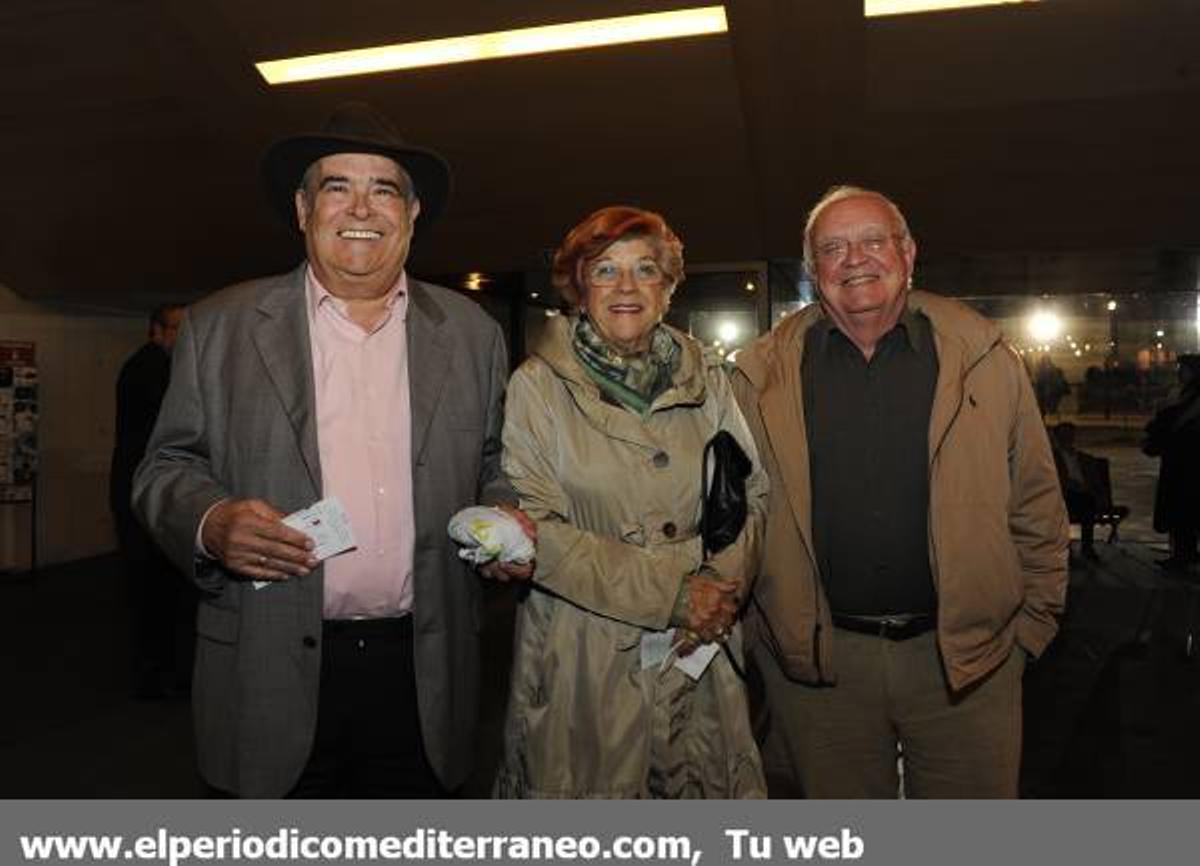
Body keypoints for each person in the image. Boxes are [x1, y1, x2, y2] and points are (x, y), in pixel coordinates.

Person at [133, 102, 521, 798]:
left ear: (411, 213)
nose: (361, 208)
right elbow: (165, 467)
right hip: (266, 661)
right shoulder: (220, 326)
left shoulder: (472, 334)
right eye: (338, 186)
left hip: (425, 672)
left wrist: (502, 516)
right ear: (303, 208)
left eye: (384, 189)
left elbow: (496, 464)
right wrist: (211, 522)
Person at [731, 185, 1069, 798]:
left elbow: (1036, 503)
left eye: (872, 241)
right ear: (813, 271)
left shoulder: (985, 359)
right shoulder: (758, 376)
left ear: (908, 253)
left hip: (967, 663)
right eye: (832, 248)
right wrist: (762, 635)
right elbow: (735, 519)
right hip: (820, 670)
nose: (854, 259)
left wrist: (1029, 630)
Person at [492, 206, 768, 798]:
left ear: (667, 288)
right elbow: (535, 529)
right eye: (605, 270)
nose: (626, 286)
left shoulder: (710, 379)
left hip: (700, 645)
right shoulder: (536, 387)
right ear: (578, 287)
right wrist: (673, 594)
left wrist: (718, 590)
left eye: (645, 269)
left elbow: (751, 493)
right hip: (584, 651)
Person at [110, 303, 191, 699]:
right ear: (156, 331)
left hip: (144, 491)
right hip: (141, 495)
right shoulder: (149, 370)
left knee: (159, 589)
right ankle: (155, 676)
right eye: (177, 329)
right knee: (150, 590)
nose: (184, 337)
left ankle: (162, 671)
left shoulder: (156, 367)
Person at [1144, 354, 1200, 569]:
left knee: (1183, 509)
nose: (1179, 372)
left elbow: (1177, 423)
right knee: (1182, 509)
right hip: (1180, 461)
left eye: (1183, 369)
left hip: (1188, 463)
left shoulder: (1191, 398)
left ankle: (1183, 554)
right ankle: (1185, 552)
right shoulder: (1183, 394)